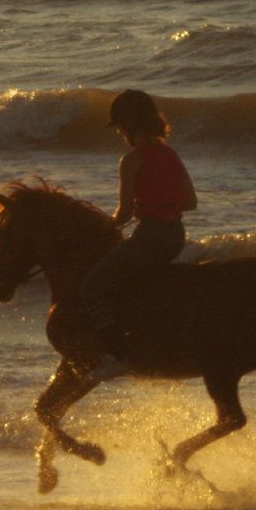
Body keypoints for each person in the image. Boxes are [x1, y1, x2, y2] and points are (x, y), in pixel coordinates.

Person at [80, 89, 197, 385]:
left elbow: (122, 214)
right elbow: (190, 202)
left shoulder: (131, 160)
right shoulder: (171, 154)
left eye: (120, 126)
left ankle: (115, 356)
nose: (119, 132)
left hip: (151, 239)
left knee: (91, 287)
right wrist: (163, 204)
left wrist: (100, 226)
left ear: (131, 125)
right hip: (175, 237)